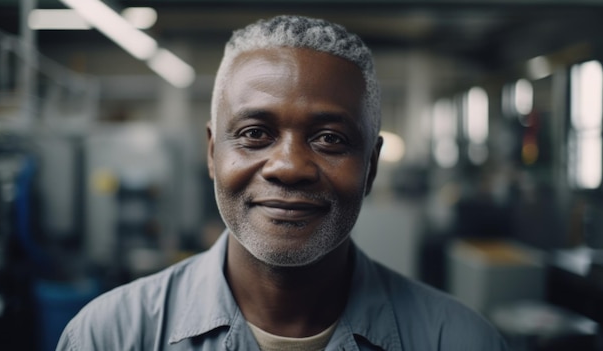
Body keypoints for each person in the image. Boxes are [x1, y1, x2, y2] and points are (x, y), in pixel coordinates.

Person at [57, 15, 509, 351]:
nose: (289, 166)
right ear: (213, 153)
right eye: (255, 133)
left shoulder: (461, 341)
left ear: (371, 167)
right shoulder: (108, 336)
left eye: (330, 138)